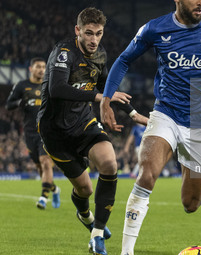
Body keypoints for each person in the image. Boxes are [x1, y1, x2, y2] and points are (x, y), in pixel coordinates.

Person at [100, 0, 201, 254]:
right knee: (147, 173)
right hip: (166, 113)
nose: (200, 2)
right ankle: (126, 251)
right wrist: (106, 98)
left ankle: (196, 183)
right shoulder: (154, 29)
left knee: (190, 203)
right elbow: (124, 59)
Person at [36, 7, 134, 255]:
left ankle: (97, 234)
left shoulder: (100, 55)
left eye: (98, 34)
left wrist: (132, 113)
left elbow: (108, 90)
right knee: (85, 190)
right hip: (54, 132)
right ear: (77, 30)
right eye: (88, 33)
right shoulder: (63, 52)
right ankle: (86, 216)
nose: (93, 40)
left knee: (110, 164)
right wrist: (98, 96)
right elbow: (57, 89)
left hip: (83, 123)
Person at [6, 57, 61, 210]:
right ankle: (55, 189)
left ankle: (44, 197)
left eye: (44, 67)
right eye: (38, 66)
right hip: (29, 133)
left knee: (45, 162)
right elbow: (8, 104)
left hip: (47, 132)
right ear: (31, 69)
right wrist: (19, 103)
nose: (41, 69)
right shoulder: (22, 86)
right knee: (39, 168)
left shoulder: (50, 86)